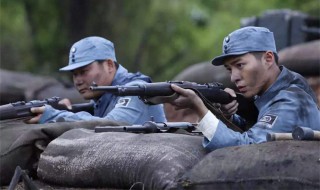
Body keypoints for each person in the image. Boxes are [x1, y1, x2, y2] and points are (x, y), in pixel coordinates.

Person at [168, 26, 320, 151]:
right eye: (229, 69)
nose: (234, 78)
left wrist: (199, 107)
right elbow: (258, 127)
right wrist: (229, 116)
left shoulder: (291, 101)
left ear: (268, 59)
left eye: (240, 65)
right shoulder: (273, 92)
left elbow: (245, 150)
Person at [27, 36, 166, 124]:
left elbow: (111, 124)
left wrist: (55, 116)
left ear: (109, 65)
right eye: (74, 74)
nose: (78, 81)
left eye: (84, 72)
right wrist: (68, 112)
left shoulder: (136, 90)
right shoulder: (102, 97)